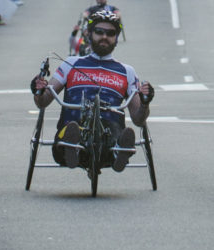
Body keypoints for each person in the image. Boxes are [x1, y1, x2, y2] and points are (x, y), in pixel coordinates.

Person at [31, 10, 154, 172]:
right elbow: (44, 101)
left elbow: (138, 119)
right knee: (71, 130)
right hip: (72, 126)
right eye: (99, 32)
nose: (104, 36)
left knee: (116, 133)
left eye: (110, 33)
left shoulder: (127, 71)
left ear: (116, 38)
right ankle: (72, 148)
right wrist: (38, 90)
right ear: (89, 34)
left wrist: (145, 102)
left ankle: (118, 152)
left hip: (110, 133)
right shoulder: (70, 63)